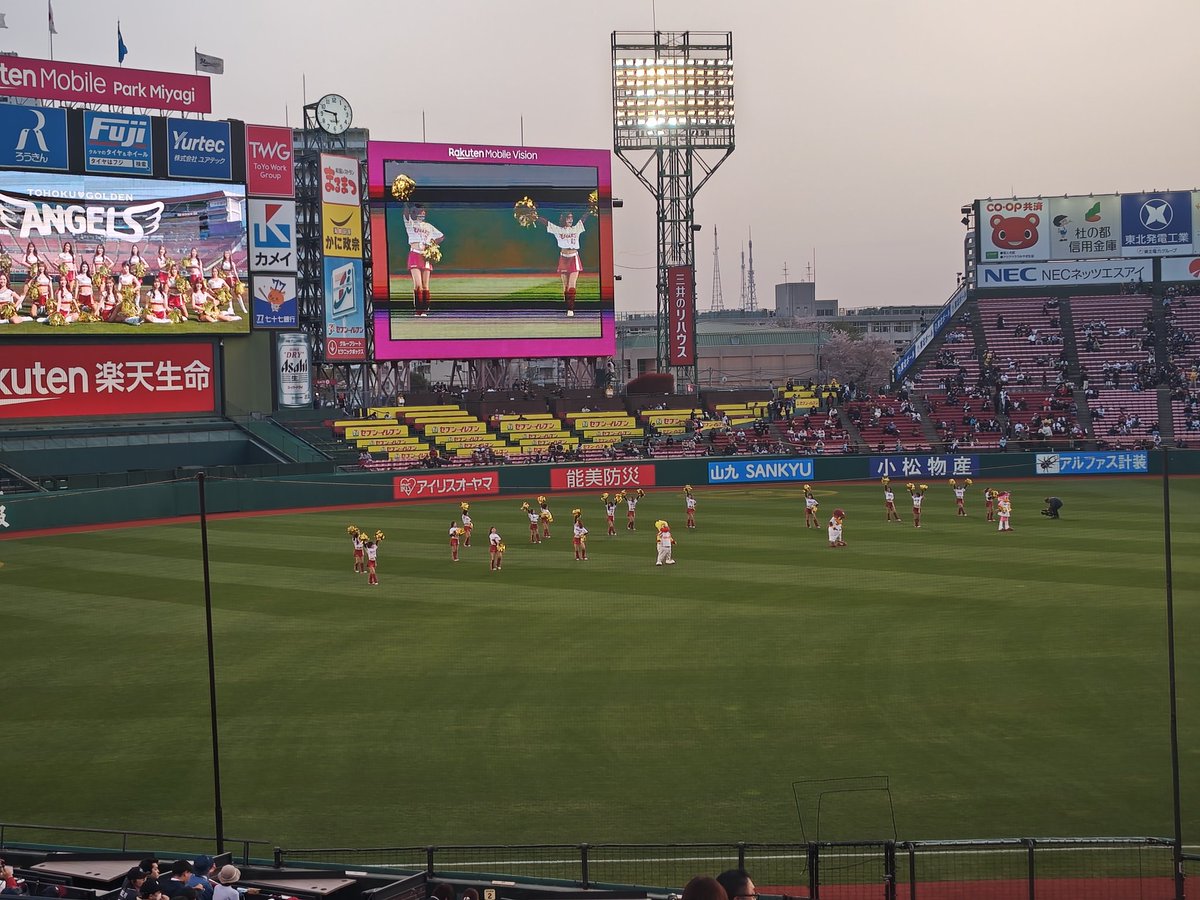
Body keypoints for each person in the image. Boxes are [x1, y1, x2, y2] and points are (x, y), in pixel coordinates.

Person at [533, 207, 595, 316]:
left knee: (571, 286)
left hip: (574, 258)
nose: (570, 219)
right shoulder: (558, 230)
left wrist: (591, 209)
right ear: (564, 219)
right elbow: (546, 223)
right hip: (563, 258)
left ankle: (571, 309)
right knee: (565, 287)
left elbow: (583, 218)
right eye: (568, 218)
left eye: (571, 217)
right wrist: (535, 217)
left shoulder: (576, 228)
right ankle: (567, 306)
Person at [404, 203, 444, 316]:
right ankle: (418, 310)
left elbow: (441, 236)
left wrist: (432, 245)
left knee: (425, 285)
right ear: (416, 212)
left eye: (424, 211)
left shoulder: (428, 226)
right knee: (418, 285)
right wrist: (405, 202)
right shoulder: (410, 223)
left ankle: (425, 310)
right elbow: (406, 214)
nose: (423, 213)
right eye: (420, 211)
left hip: (425, 256)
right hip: (414, 254)